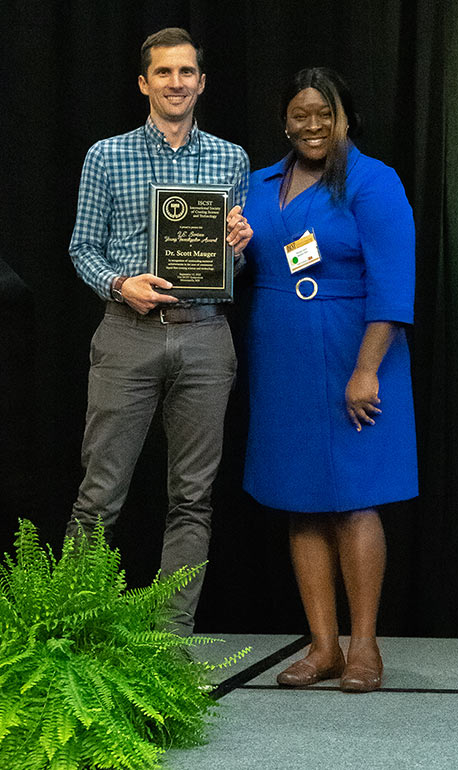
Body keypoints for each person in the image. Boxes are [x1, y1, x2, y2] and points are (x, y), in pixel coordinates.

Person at [66, 27, 252, 636]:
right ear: (144, 83)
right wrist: (121, 285)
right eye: (164, 73)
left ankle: (169, 645)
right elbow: (82, 248)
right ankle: (72, 638)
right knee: (99, 496)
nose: (177, 83)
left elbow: (231, 264)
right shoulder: (106, 155)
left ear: (201, 82)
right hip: (127, 334)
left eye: (187, 73)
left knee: (193, 500)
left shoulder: (230, 158)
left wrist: (239, 247)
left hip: (205, 337)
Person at [242, 68, 417, 691]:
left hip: (353, 352)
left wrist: (367, 369)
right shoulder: (258, 183)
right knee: (301, 500)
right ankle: (322, 647)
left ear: (345, 117)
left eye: (325, 114)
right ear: (284, 121)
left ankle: (364, 647)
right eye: (299, 115)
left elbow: (394, 285)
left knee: (354, 499)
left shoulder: (373, 181)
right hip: (281, 357)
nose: (312, 125)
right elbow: (239, 258)